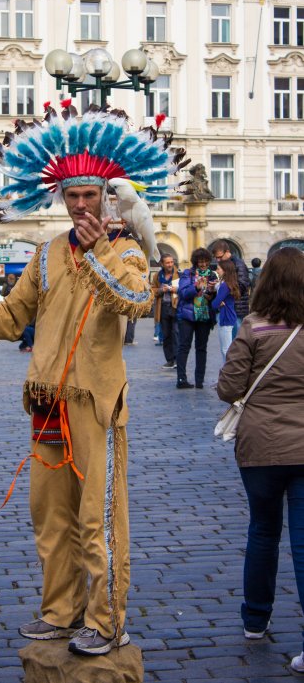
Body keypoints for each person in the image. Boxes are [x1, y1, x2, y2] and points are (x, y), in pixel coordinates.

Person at [0, 104, 182, 656]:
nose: (80, 205)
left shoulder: (125, 251)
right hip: (46, 401)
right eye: (71, 196)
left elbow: (138, 302)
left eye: (89, 195)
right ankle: (61, 611)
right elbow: (14, 313)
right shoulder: (46, 254)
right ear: (61, 198)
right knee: (51, 518)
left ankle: (106, 620)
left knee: (98, 519)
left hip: (95, 404)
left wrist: (98, 253)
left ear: (106, 197)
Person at [217, 247, 304, 675]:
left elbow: (227, 387)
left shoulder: (252, 327)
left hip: (261, 448)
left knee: (263, 532)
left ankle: (255, 620)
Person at [176, 247, 217, 389]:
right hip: (187, 315)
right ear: (195, 262)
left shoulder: (212, 275)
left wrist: (212, 292)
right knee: (184, 346)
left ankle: (199, 380)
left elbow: (214, 298)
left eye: (206, 261)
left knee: (201, 348)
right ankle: (181, 379)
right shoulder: (188, 273)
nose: (204, 264)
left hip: (204, 315)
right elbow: (182, 292)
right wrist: (196, 287)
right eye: (201, 262)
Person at [211, 240, 250, 338]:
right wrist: (218, 285)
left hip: (236, 308)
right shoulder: (227, 263)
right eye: (216, 258)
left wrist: (224, 291)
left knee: (235, 344)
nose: (218, 260)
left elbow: (243, 285)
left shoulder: (238, 263)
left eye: (220, 257)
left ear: (227, 252)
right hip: (231, 308)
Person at [151, 253, 180, 369]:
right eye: (167, 262)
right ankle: (170, 360)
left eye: (172, 262)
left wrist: (175, 289)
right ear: (162, 264)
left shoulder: (179, 274)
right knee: (166, 335)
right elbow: (152, 289)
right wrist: (160, 290)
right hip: (162, 307)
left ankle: (178, 359)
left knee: (176, 333)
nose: (170, 264)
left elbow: (185, 288)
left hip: (175, 307)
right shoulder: (157, 276)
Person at [211, 258, 239, 362]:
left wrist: (217, 303)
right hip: (229, 316)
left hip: (226, 317)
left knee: (226, 349)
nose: (217, 271)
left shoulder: (224, 285)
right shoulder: (227, 283)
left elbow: (214, 304)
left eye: (218, 269)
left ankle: (228, 374)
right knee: (227, 348)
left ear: (225, 270)